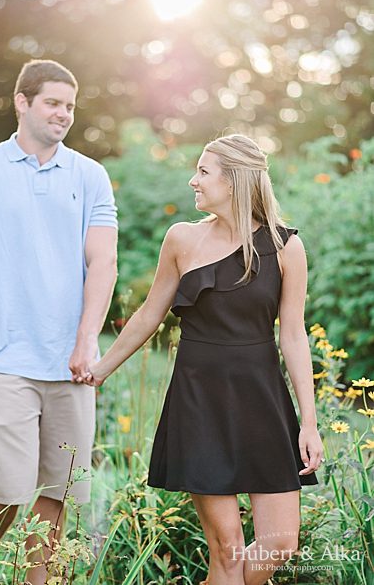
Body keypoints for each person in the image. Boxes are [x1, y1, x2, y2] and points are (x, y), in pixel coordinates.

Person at [86, 134, 322, 584]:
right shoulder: (181, 239)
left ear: (233, 181)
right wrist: (99, 371)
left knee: (280, 543)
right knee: (228, 554)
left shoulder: (286, 246)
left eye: (203, 172)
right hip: (200, 401)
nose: (193, 180)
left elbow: (293, 336)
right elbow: (148, 316)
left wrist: (308, 423)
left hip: (262, 400)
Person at [0, 59, 118, 584]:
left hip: (71, 361)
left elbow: (103, 262)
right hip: (3, 357)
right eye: (53, 103)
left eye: (69, 105)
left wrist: (87, 341)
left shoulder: (90, 175)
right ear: (22, 102)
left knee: (60, 489)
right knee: (7, 487)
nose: (64, 114)